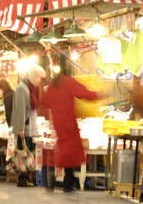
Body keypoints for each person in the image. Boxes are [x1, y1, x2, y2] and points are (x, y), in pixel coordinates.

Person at [40, 57, 102, 192]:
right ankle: (68, 182)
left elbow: (44, 101)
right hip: (68, 122)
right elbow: (84, 93)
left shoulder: (53, 85)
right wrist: (99, 95)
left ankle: (57, 179)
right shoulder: (67, 81)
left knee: (63, 151)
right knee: (71, 153)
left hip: (57, 123)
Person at [10, 63, 46, 188]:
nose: (39, 80)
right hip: (24, 127)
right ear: (33, 76)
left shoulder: (31, 89)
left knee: (28, 153)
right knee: (23, 153)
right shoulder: (22, 88)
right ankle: (22, 179)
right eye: (38, 77)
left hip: (29, 126)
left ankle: (26, 178)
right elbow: (20, 109)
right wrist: (19, 128)